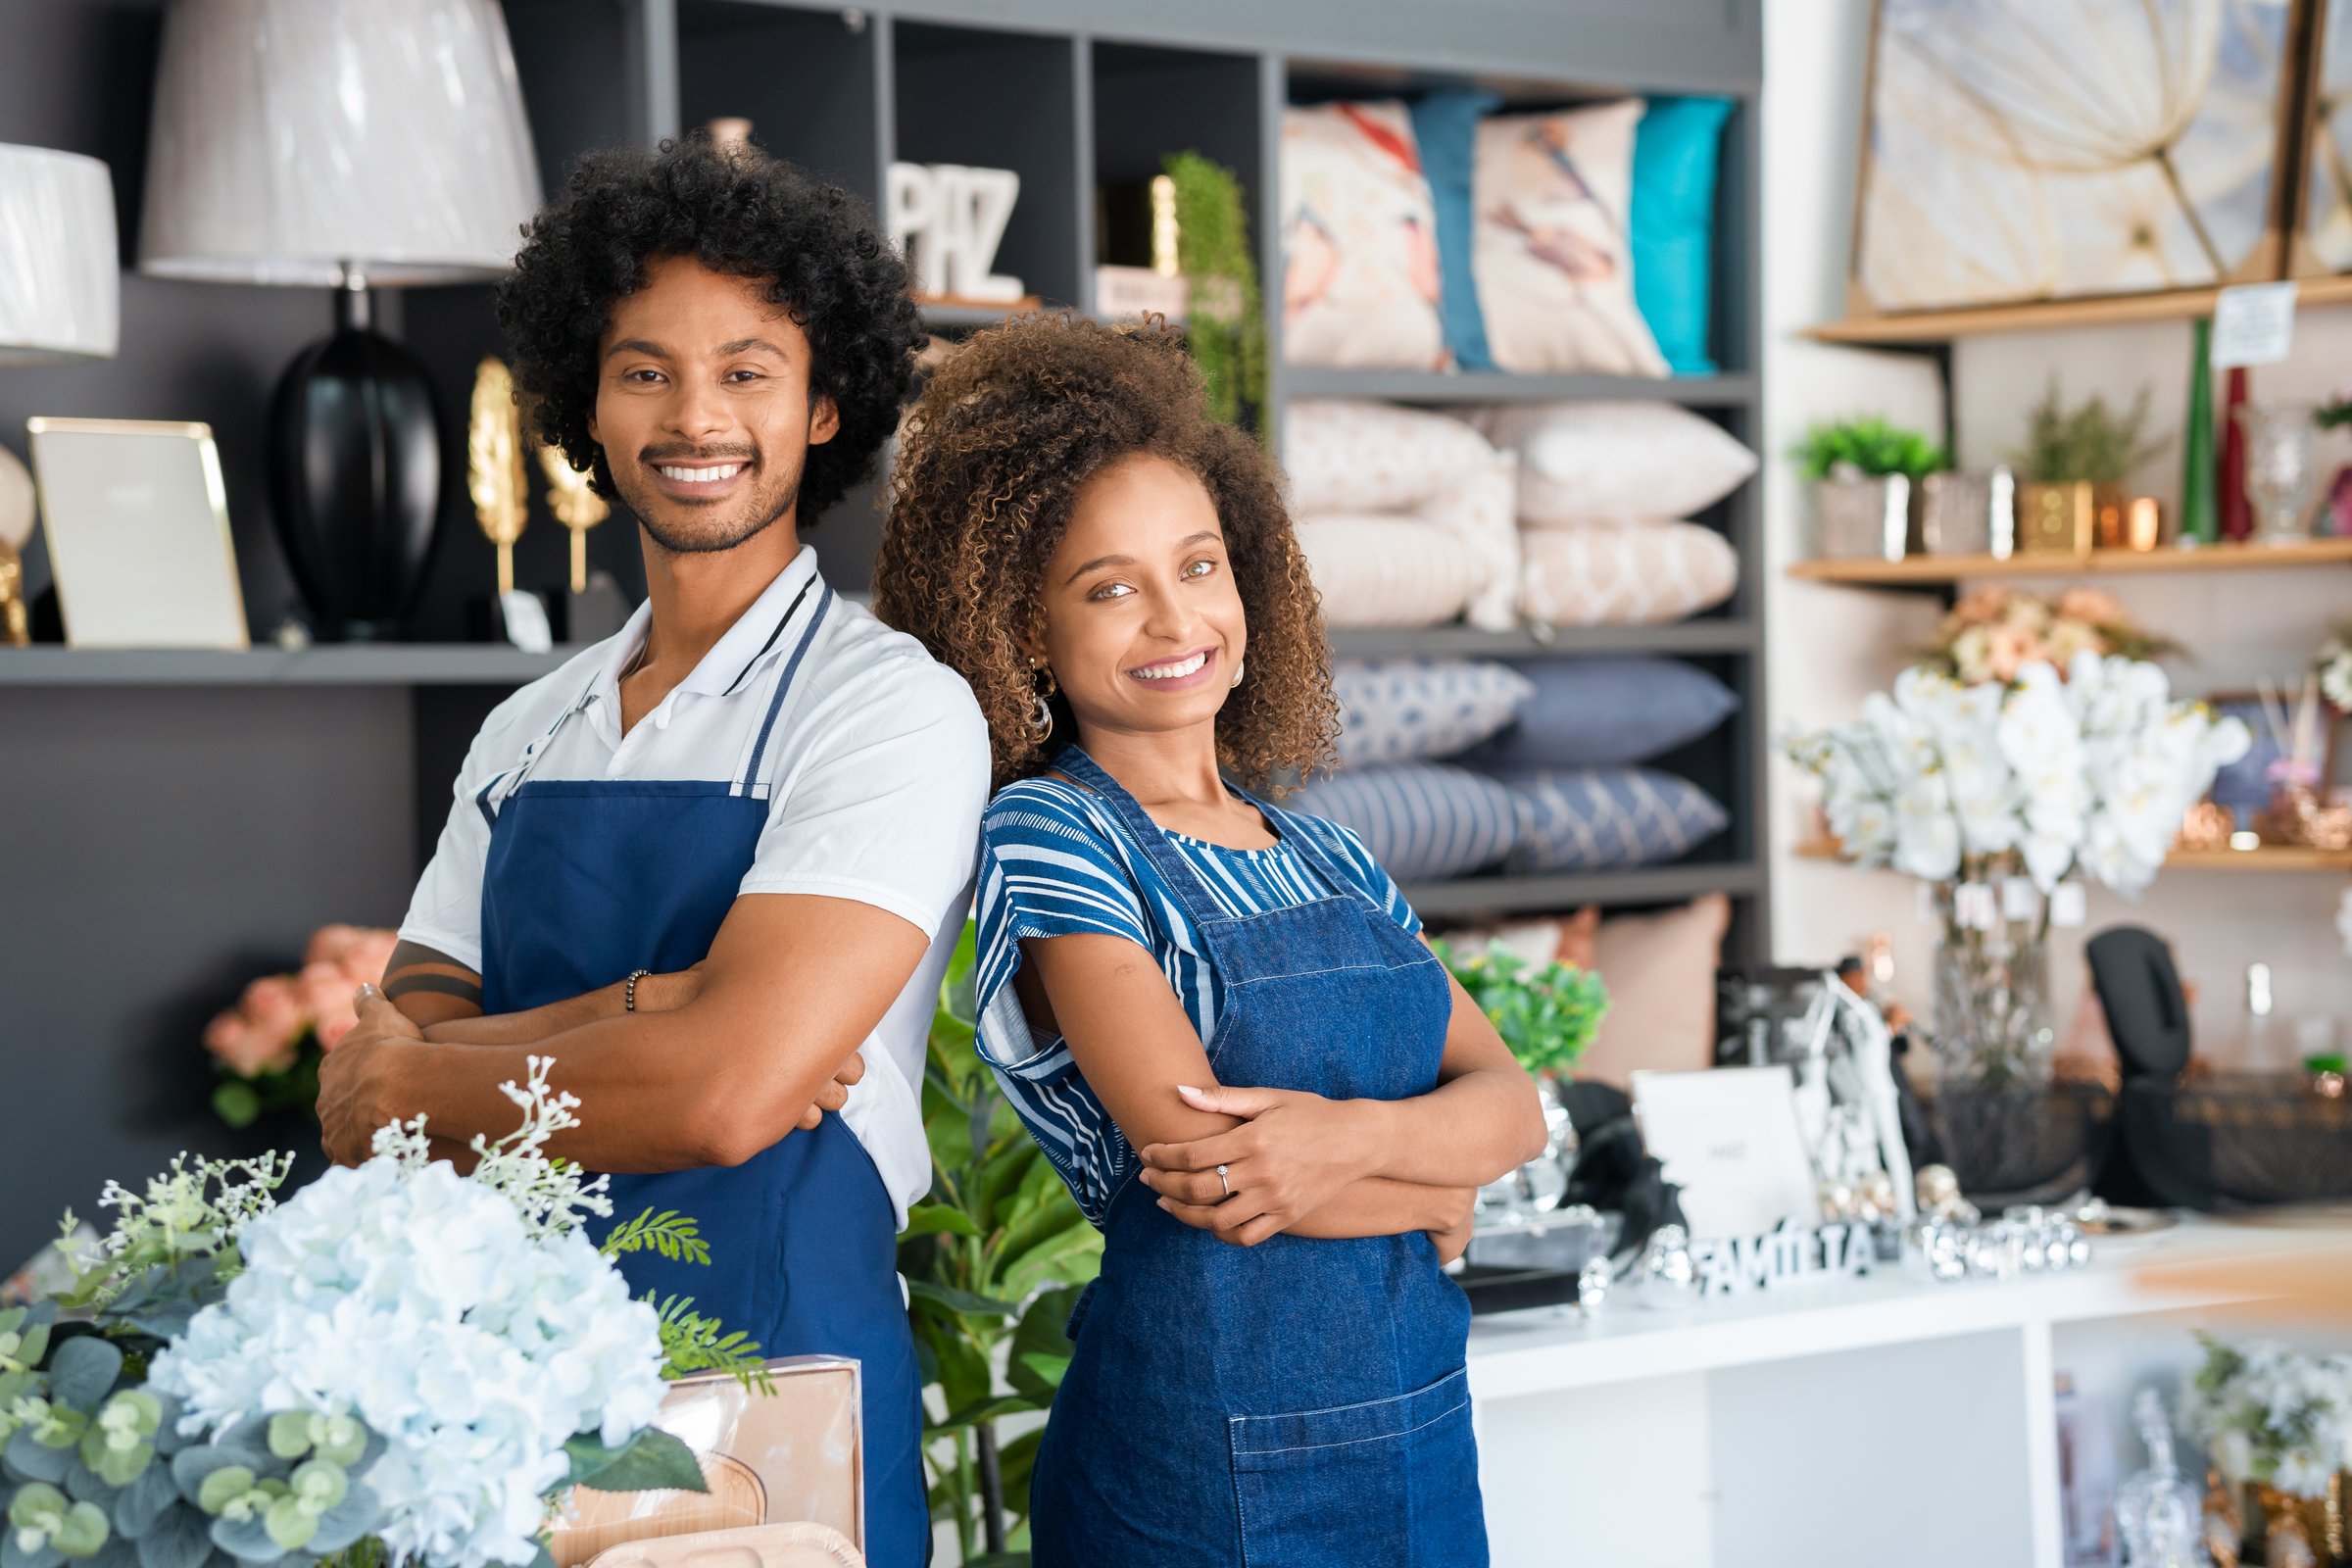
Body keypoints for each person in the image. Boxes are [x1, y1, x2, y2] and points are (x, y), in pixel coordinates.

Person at [315, 136, 985, 1568]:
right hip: (507, 1399)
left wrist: (454, 1078)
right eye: (645, 370)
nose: (698, 416)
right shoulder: (524, 731)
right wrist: (648, 1012)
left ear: (824, 405)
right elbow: (376, 1089)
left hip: (779, 1400)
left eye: (749, 369)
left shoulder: (890, 710)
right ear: (590, 408)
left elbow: (732, 1096)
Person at [874, 315, 1547, 1567]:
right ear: (1024, 629)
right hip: (1189, 1467)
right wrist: (1432, 1186)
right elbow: (1214, 1169)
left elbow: (1515, 1107)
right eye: (1109, 587)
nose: (1172, 617)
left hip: (1420, 1448)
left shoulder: (1327, 850)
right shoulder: (1052, 832)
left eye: (1198, 566)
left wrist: (1361, 1148)